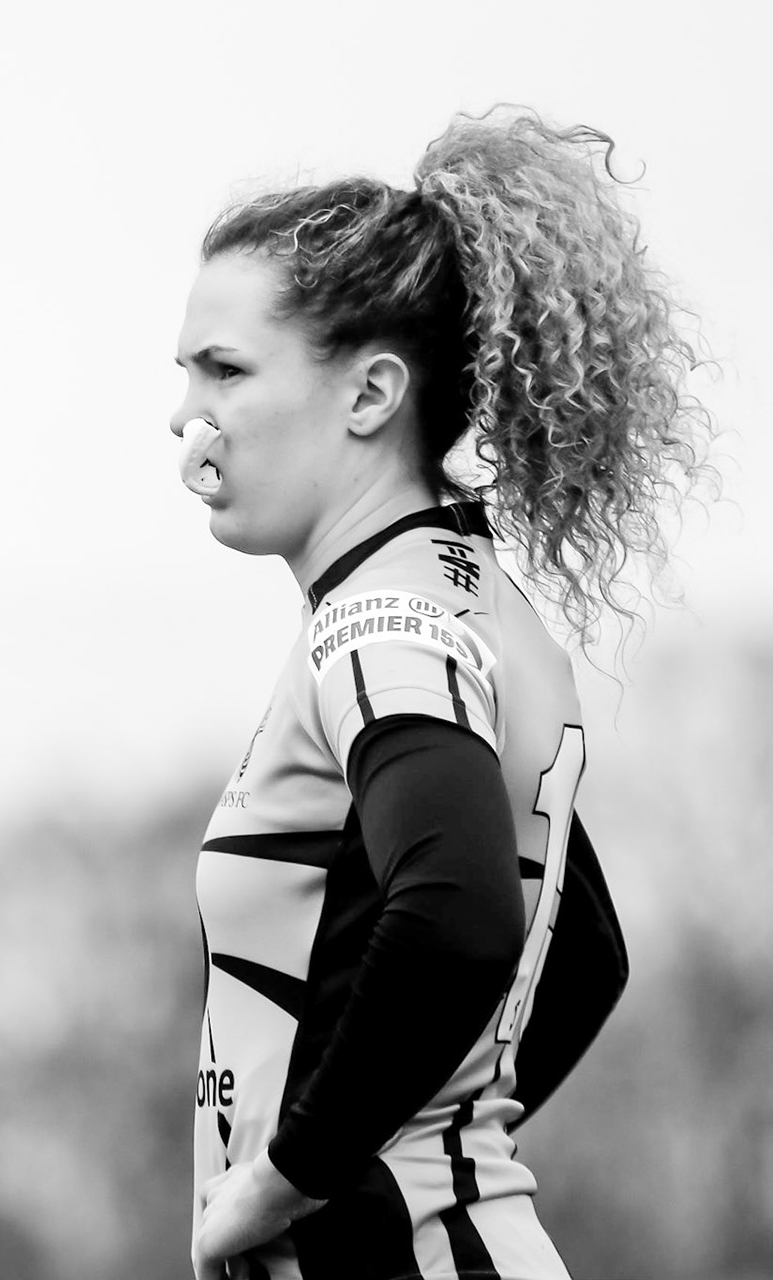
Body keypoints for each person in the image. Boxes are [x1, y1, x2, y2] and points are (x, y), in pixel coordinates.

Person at [171, 109, 713, 1280]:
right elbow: (583, 956)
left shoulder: (379, 624)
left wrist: (291, 1179)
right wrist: (435, 1146)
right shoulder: (468, 600)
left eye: (225, 368)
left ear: (369, 394)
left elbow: (464, 914)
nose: (188, 420)